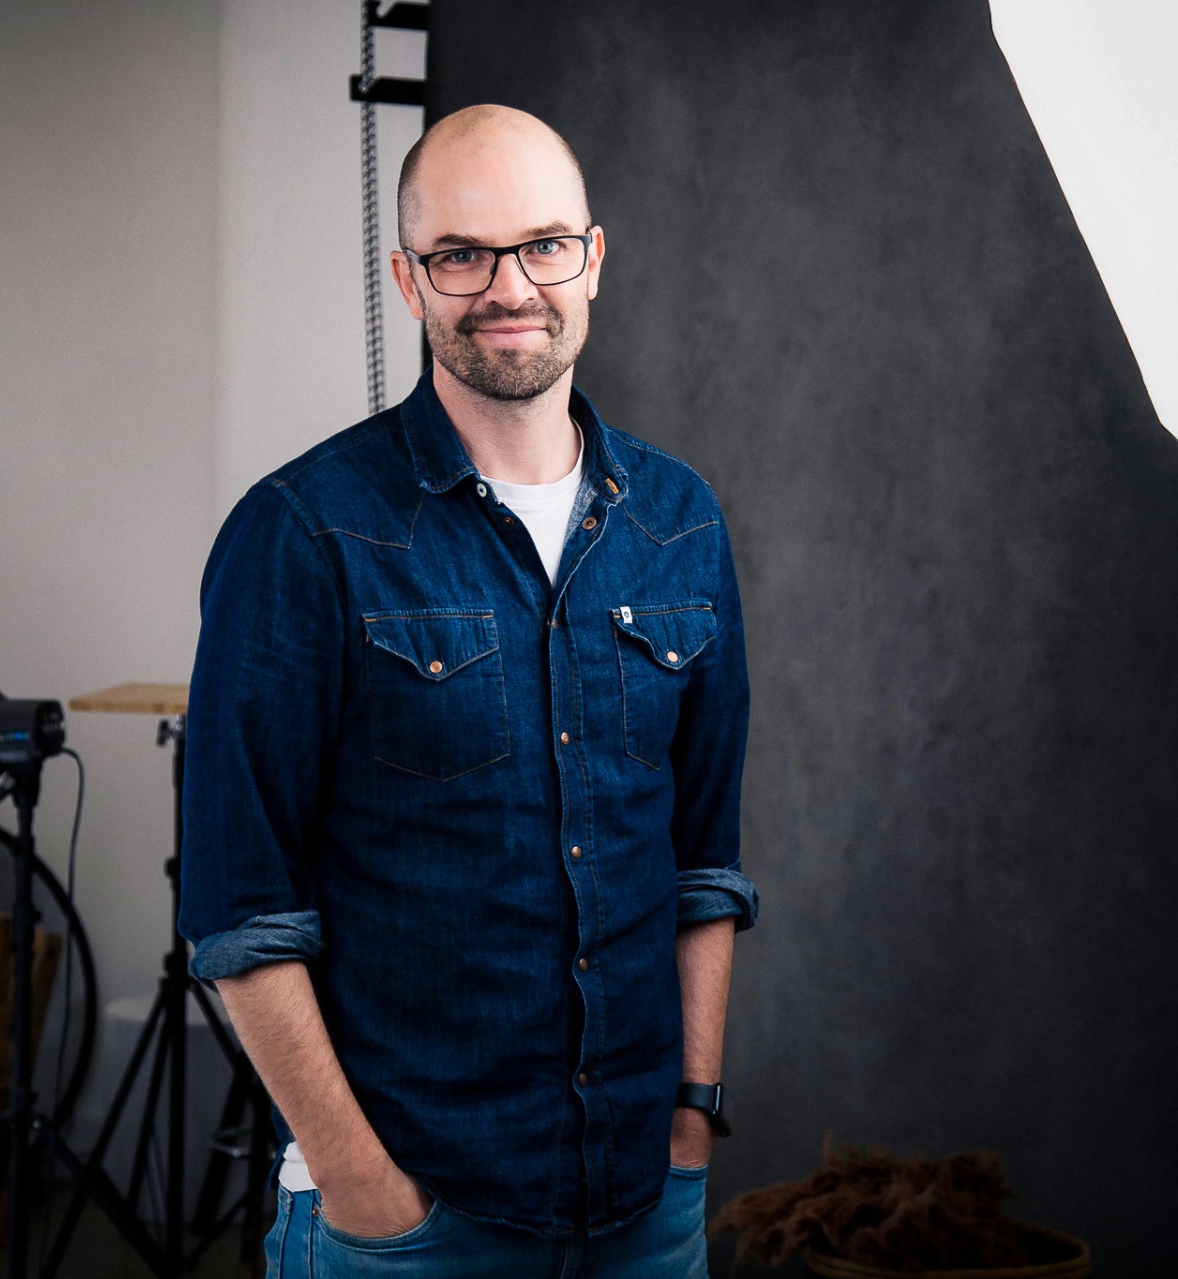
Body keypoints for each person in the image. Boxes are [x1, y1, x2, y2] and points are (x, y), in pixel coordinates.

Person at [179, 104, 757, 1278]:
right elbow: (240, 909)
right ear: (408, 277)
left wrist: (691, 1120)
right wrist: (361, 1186)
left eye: (543, 245)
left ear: (593, 259)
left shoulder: (679, 522)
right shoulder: (303, 533)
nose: (509, 286)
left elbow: (703, 862)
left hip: (646, 1208)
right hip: (409, 1222)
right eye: (461, 254)